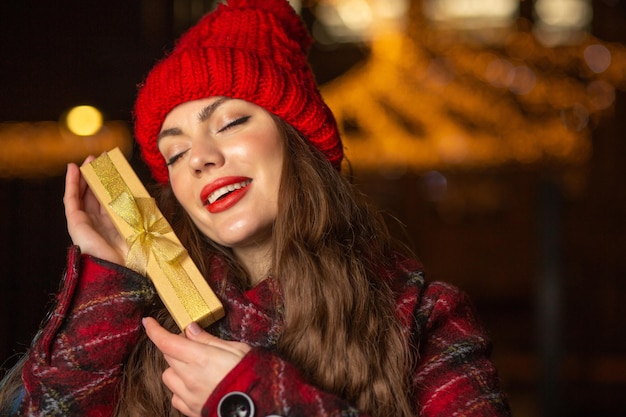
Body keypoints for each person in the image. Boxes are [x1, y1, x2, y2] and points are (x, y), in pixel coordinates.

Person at [0, 0, 512, 416]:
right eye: (175, 152)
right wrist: (108, 282)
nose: (200, 157)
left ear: (298, 141)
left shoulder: (423, 318)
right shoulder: (141, 319)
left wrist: (255, 398)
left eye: (229, 124)